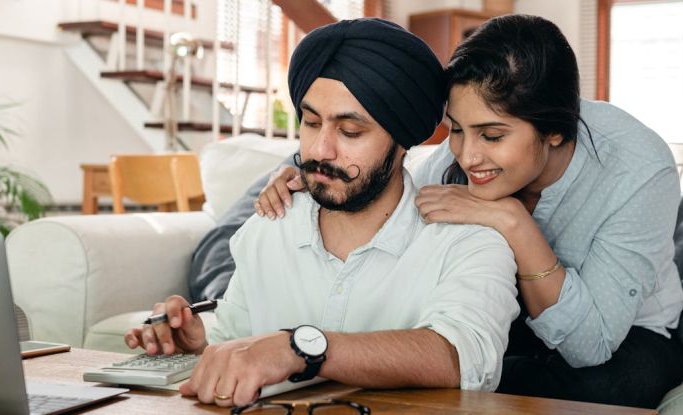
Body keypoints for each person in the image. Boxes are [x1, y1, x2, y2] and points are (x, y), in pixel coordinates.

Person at [254, 14, 683, 409]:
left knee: (614, 387)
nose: (467, 156)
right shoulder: (449, 164)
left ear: (555, 130)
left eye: (492, 136)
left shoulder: (639, 168)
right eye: (457, 130)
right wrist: (309, 175)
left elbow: (589, 344)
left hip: (622, 335)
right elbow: (388, 195)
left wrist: (513, 222)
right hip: (506, 320)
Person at [126, 17, 520, 408]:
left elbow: (464, 359)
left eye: (350, 132)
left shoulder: (469, 240)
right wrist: (198, 346)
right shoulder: (270, 225)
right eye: (311, 123)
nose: (320, 150)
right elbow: (236, 341)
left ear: (404, 140)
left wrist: (300, 348)